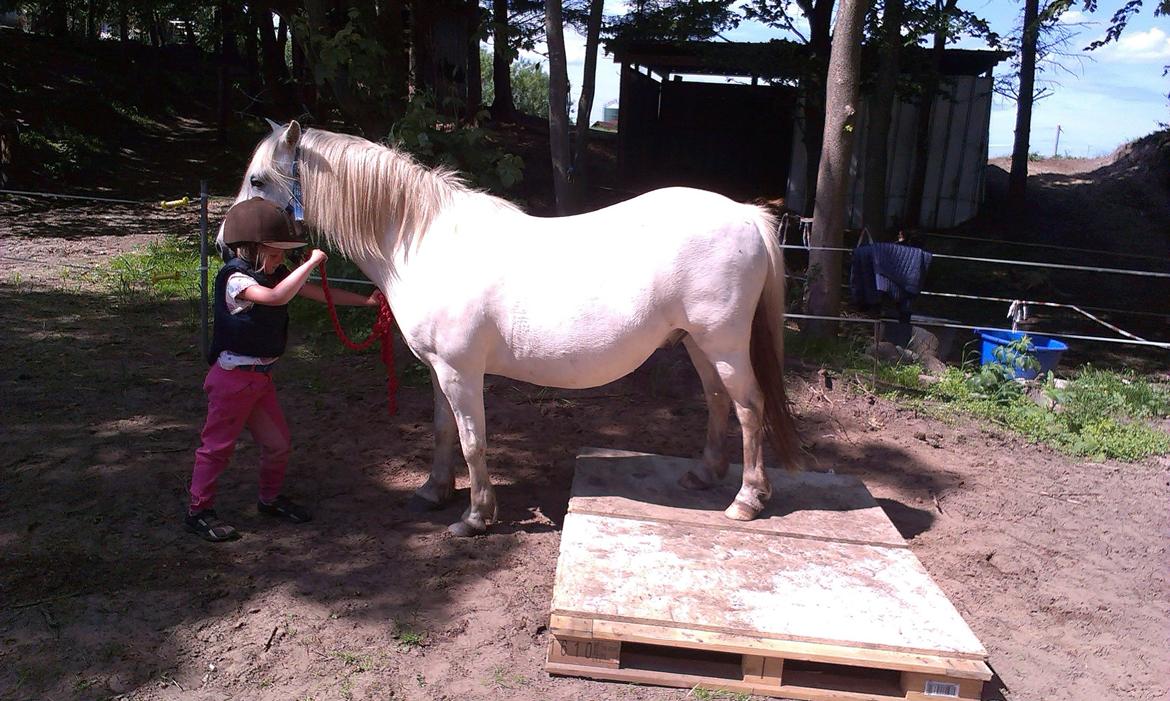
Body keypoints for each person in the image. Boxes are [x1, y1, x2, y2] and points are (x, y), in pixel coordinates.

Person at [185, 197, 382, 542]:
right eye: (275, 253)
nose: (280, 261)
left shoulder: (272, 273)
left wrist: (366, 302)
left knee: (278, 445)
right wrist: (311, 263)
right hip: (233, 380)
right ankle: (198, 511)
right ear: (250, 249)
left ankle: (270, 499)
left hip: (259, 380)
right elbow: (275, 297)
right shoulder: (235, 279)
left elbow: (316, 293)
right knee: (216, 447)